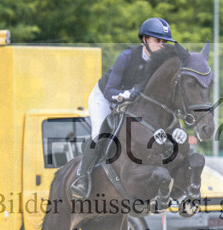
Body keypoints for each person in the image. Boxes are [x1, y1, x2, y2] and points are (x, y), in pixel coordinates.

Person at [71, 17, 176, 199]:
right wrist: (127, 94)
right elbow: (111, 90)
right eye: (158, 40)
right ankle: (82, 177)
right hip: (104, 97)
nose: (162, 45)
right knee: (99, 134)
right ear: (145, 40)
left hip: (130, 101)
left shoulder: (158, 64)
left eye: (164, 41)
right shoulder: (127, 57)